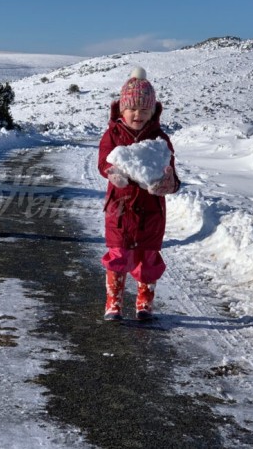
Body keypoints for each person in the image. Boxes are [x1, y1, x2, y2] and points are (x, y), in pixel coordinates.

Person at [98, 67, 180, 321]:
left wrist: (169, 183)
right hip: (119, 208)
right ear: (122, 109)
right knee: (118, 254)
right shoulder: (113, 134)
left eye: (144, 110)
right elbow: (103, 162)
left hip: (151, 210)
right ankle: (114, 301)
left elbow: (172, 173)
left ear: (152, 111)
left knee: (148, 257)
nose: (137, 114)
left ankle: (144, 302)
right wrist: (113, 173)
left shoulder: (160, 139)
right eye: (132, 109)